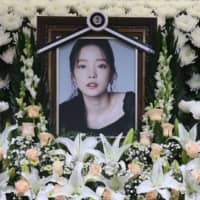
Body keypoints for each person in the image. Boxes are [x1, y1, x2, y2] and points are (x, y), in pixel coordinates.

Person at [59, 39, 135, 136]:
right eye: (82, 66)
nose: (92, 74)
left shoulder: (132, 105)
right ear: (73, 76)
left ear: (112, 73)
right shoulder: (62, 114)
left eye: (101, 66)